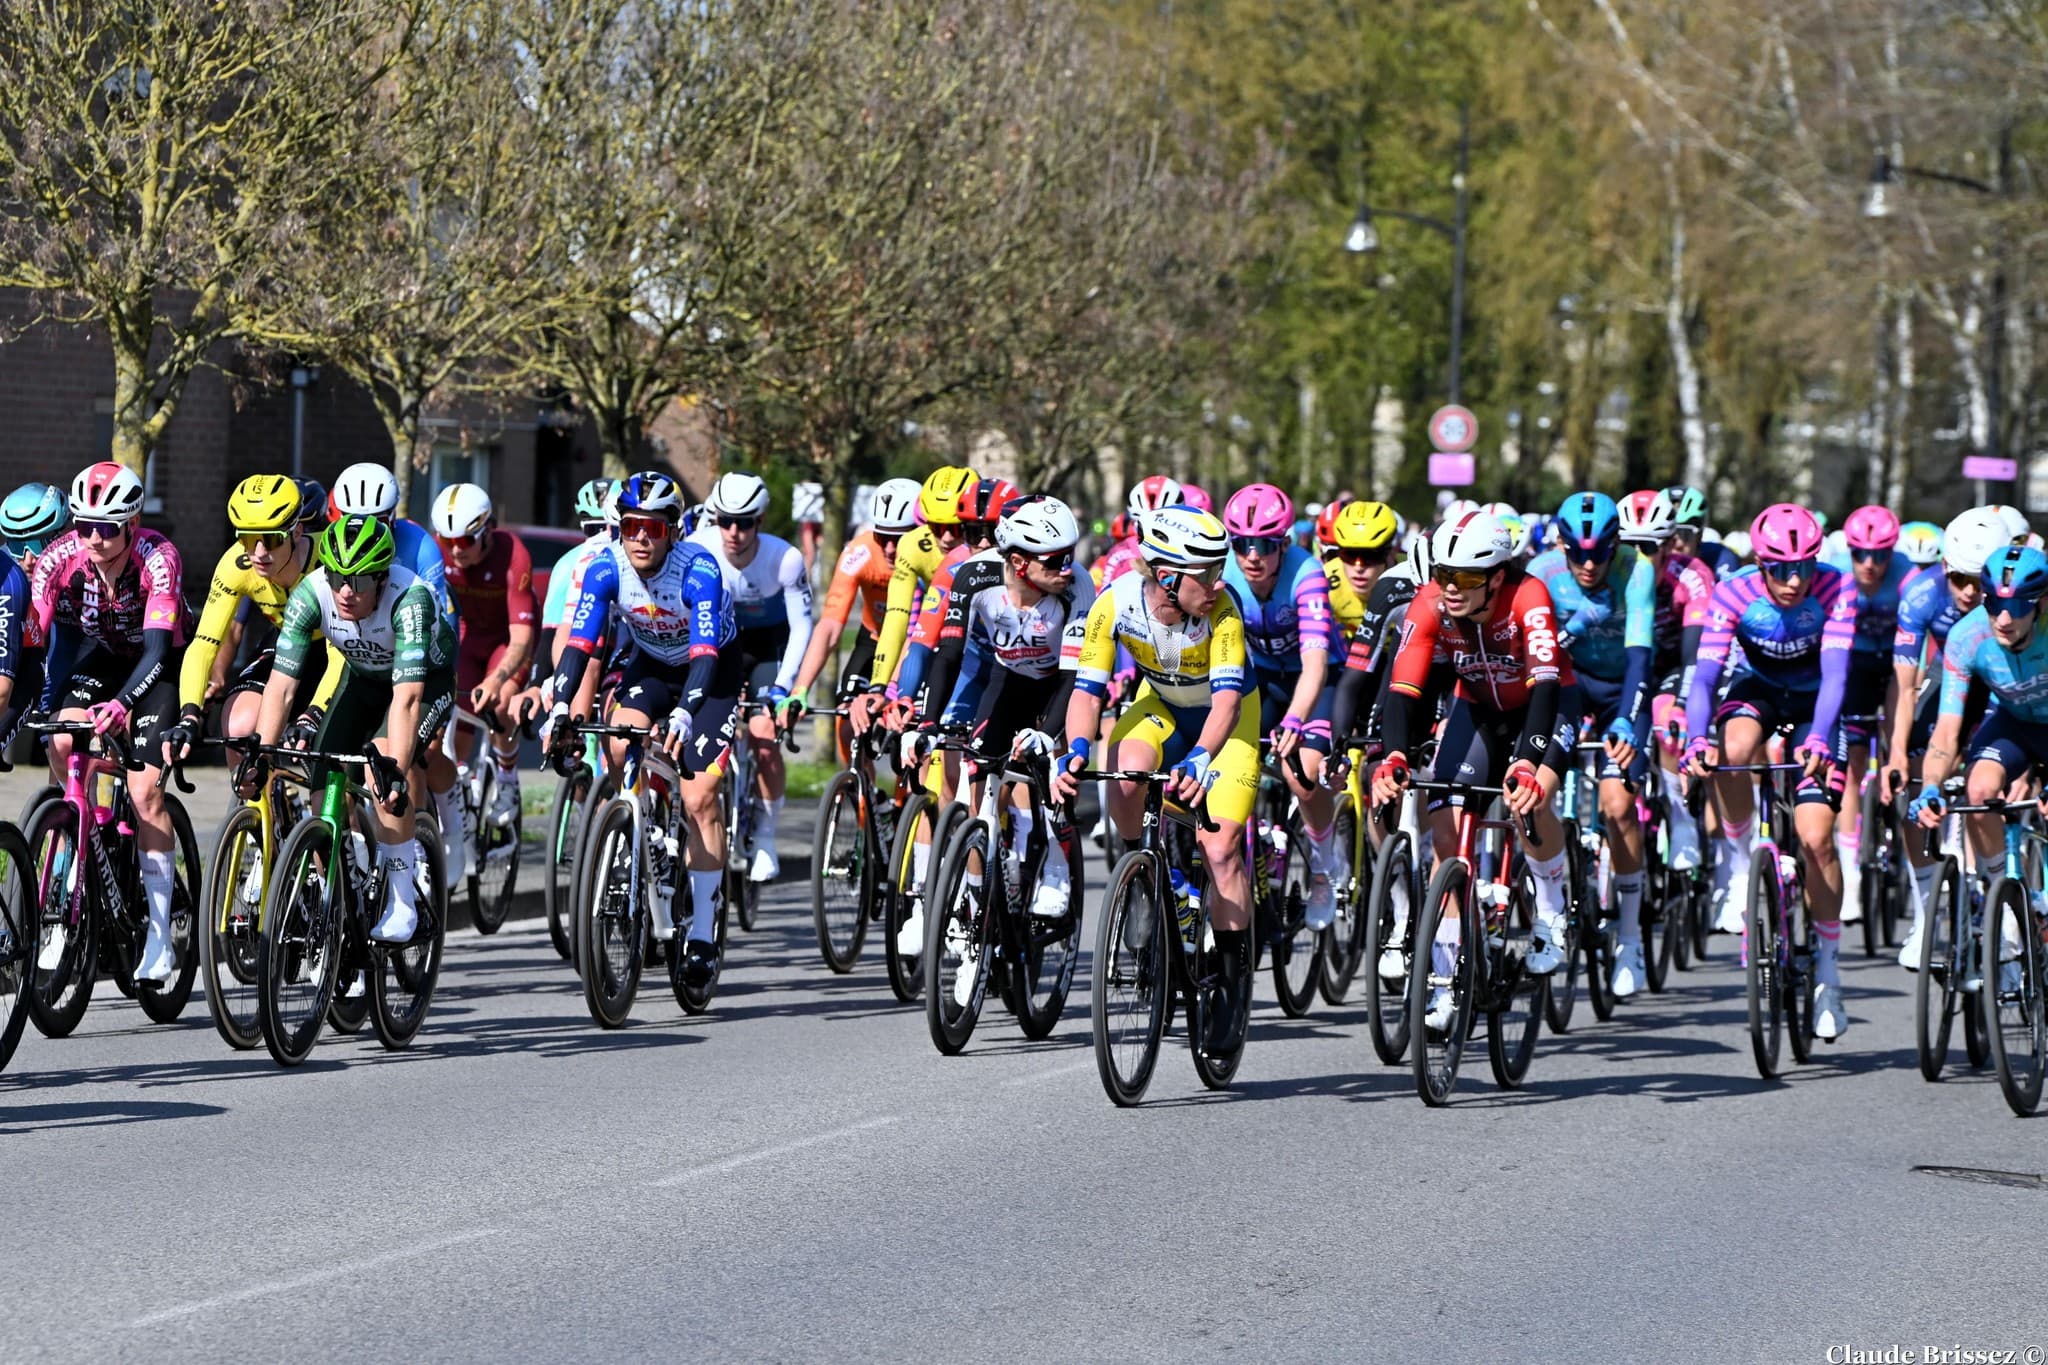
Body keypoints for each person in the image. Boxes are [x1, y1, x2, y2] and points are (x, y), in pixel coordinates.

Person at [1053, 505, 1259, 1048]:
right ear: (1167, 576)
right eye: (1207, 573)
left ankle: (1231, 984)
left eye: (1220, 569)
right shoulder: (1114, 603)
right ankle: (1140, 877)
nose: (1219, 583)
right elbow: (1086, 693)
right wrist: (1077, 748)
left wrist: (1202, 758)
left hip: (1228, 723)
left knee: (1220, 850)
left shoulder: (1223, 611)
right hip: (1162, 706)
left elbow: (1227, 705)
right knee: (1124, 771)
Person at [1370, 508, 1578, 1027]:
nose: (1450, 588)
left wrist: (1527, 762)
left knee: (1531, 799)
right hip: (1477, 708)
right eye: (1444, 574)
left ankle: (1552, 909)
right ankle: (1443, 984)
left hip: (1545, 707)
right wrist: (1394, 754)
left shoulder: (1529, 597)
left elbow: (1545, 687)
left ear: (1497, 577)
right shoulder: (1429, 603)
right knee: (1445, 830)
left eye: (1465, 579)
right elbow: (1403, 689)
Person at [544, 472, 737, 987]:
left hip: (710, 674)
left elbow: (704, 656)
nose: (641, 538)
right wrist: (560, 707)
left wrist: (685, 714)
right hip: (650, 665)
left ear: (673, 530)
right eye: (631, 527)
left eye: (653, 528)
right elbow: (580, 646)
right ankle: (640, 825)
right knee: (617, 740)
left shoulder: (698, 569)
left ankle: (702, 929)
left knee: (699, 796)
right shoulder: (605, 567)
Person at [1681, 503, 1858, 1040]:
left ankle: (1828, 972)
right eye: (1780, 569)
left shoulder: (1837, 587)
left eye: (1803, 566)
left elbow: (1836, 677)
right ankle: (1740, 866)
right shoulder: (1732, 592)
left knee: (1817, 839)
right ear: (1760, 564)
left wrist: (1821, 736)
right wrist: (1695, 736)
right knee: (1731, 750)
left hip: (1815, 703)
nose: (1794, 580)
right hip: (1757, 689)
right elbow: (1705, 677)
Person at [900, 496, 1093, 980]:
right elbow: (947, 655)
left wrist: (1046, 734)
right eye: (1056, 559)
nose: (1067, 567)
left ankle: (1055, 867)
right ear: (1019, 562)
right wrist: (925, 726)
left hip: (1060, 686)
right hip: (1007, 681)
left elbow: (1075, 678)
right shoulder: (974, 578)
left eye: (1070, 554)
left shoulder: (1078, 587)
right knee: (980, 791)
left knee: (1054, 770)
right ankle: (975, 926)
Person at [242, 515, 459, 944]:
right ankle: (340, 895)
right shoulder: (311, 594)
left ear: (382, 579)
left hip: (424, 684)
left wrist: (395, 770)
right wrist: (261, 753)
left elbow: (407, 699)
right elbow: (282, 686)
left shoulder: (410, 600)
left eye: (358, 582)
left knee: (383, 774)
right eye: (337, 577)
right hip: (360, 679)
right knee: (322, 786)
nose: (345, 591)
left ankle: (402, 900)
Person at [32, 463, 187, 982]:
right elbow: (34, 634)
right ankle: (83, 829)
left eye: (106, 527)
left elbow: (157, 651)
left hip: (160, 663)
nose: (93, 538)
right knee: (61, 739)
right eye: (84, 526)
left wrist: (122, 704)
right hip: (105, 657)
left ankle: (161, 935)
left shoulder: (158, 558)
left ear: (133, 523)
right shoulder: (61, 557)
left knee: (144, 793)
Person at [1528, 491, 1659, 996]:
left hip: (1622, 689)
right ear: (1562, 546)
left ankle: (1630, 938)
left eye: (1599, 554)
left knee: (1619, 807)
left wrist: (1626, 719)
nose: (1588, 565)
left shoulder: (1636, 570)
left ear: (1615, 545)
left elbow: (1641, 658)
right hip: (1568, 685)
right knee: (1534, 788)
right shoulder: (1542, 572)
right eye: (1577, 555)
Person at [1911, 545, 2048, 999]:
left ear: (2041, 603)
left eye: (2018, 607)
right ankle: (2004, 899)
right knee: (1978, 788)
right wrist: (1930, 786)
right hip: (2014, 724)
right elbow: (1947, 732)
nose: (2003, 619)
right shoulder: (1967, 636)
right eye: (1994, 604)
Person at [1887, 506, 2006, 967]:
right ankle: (1926, 916)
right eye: (1959, 579)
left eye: (1979, 581)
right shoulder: (1921, 596)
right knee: (1915, 780)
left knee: (1988, 776)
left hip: (2004, 680)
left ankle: (2001, 895)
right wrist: (1897, 754)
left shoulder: (2010, 606)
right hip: (1951, 674)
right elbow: (1904, 687)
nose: (1970, 592)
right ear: (1944, 569)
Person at [1220, 483, 1342, 927]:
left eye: (1266, 546)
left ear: (1285, 544)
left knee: (1301, 773)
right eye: (1242, 545)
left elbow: (1315, 666)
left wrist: (1294, 719)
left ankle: (1325, 868)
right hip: (1266, 677)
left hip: (1318, 677)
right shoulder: (1225, 576)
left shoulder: (1307, 574)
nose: (1253, 556)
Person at [689, 471, 815, 881]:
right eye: (725, 521)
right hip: (719, 641)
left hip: (767, 645)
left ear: (759, 521)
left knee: (763, 733)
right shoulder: (697, 548)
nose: (733, 532)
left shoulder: (785, 558)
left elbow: (802, 627)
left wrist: (784, 687)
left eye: (744, 523)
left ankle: (765, 837)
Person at [165, 475, 320, 768]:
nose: (259, 553)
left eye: (271, 539)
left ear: (297, 532)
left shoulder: (325, 559)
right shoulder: (235, 565)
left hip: (335, 647)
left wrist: (314, 713)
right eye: (247, 539)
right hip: (286, 639)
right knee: (239, 729)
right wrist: (189, 715)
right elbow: (204, 644)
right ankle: (256, 796)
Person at [1820, 505, 1913, 927]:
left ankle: (1901, 839)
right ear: (1850, 551)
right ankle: (1851, 870)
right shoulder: (1837, 573)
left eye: (1880, 555)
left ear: (1893, 552)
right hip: (1853, 666)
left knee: (1902, 745)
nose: (1869, 564)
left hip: (1896, 667)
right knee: (1853, 763)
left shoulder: (1909, 577)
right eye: (1860, 554)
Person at [432, 482, 537, 829]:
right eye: (448, 540)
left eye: (465, 541)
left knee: (500, 703)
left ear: (487, 530)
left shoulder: (513, 555)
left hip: (507, 638)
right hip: (467, 635)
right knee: (454, 712)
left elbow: (521, 637)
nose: (455, 550)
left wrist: (497, 680)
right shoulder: (437, 552)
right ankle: (458, 788)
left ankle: (507, 778)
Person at [852, 465, 977, 731]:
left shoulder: (990, 548)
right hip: (940, 627)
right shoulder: (912, 546)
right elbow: (897, 618)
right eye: (937, 527)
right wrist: (880, 686)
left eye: (956, 528)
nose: (946, 538)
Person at [791, 476, 920, 705]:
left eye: (899, 539)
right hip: (873, 638)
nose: (889, 549)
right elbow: (829, 625)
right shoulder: (860, 552)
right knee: (847, 710)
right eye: (882, 537)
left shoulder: (930, 560)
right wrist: (800, 690)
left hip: (916, 644)